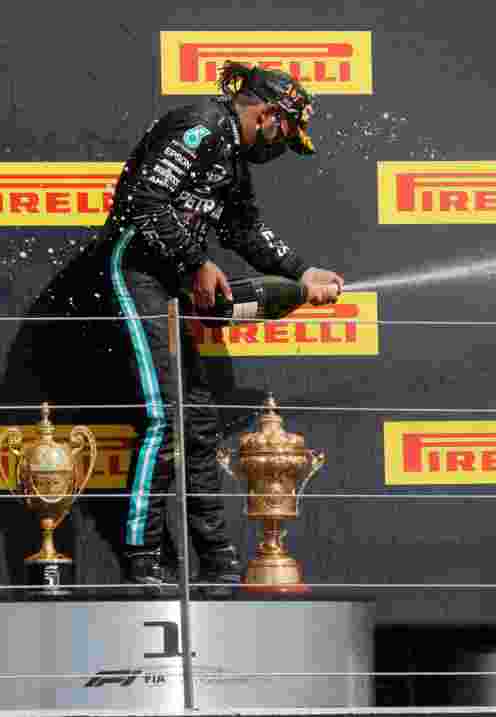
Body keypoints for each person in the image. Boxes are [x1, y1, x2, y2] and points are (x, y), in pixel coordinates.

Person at [99, 61, 344, 588]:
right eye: (286, 133)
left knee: (200, 423)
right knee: (167, 416)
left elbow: (244, 230)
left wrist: (302, 271)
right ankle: (142, 556)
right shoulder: (201, 125)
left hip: (174, 278)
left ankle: (217, 560)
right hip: (137, 267)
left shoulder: (232, 156)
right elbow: (144, 201)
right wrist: (195, 263)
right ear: (269, 114)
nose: (282, 147)